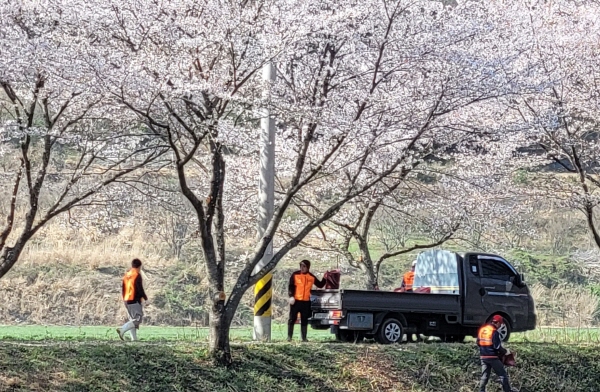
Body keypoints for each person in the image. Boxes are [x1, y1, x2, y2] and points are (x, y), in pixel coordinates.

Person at [288, 259, 326, 342]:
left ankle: (304, 338)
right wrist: (291, 296)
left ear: (308, 267)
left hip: (306, 302)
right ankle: (289, 337)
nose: (302, 268)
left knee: (304, 319)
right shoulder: (295, 275)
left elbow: (320, 284)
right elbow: (291, 286)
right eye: (301, 266)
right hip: (296, 300)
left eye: (304, 266)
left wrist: (325, 278)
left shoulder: (311, 277)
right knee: (292, 319)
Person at [477, 315, 517, 392]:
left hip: (483, 357)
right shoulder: (494, 332)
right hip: (492, 357)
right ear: (498, 323)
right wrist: (506, 352)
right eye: (500, 324)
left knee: (484, 376)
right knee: (503, 374)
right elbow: (497, 347)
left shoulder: (482, 330)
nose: (500, 326)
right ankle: (508, 390)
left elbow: (478, 342)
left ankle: (481, 390)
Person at [116, 258, 148, 341]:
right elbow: (139, 288)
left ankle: (134, 339)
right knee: (138, 319)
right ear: (139, 266)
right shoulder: (137, 275)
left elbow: (123, 288)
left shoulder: (126, 275)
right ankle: (122, 329)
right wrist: (145, 298)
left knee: (132, 320)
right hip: (134, 300)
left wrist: (124, 299)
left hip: (126, 300)